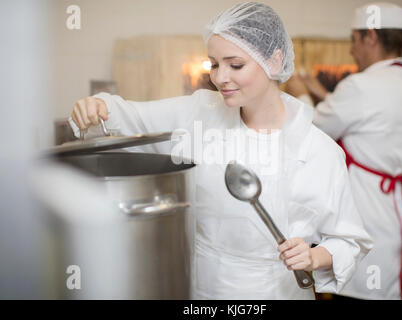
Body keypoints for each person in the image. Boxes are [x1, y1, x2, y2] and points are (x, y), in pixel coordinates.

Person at [68, 2, 372, 300]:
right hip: (201, 284)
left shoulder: (318, 149)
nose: (220, 77)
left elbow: (349, 240)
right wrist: (98, 106)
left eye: (235, 65)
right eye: (214, 64)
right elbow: (128, 117)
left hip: (275, 290)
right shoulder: (200, 113)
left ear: (275, 62)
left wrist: (314, 256)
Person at [286, 3, 402, 300]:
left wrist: (298, 88)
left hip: (367, 208)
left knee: (363, 286)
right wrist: (321, 91)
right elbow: (368, 119)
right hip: (400, 205)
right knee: (391, 284)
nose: (352, 50)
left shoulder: (361, 86)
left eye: (353, 40)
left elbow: (314, 128)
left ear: (370, 37)